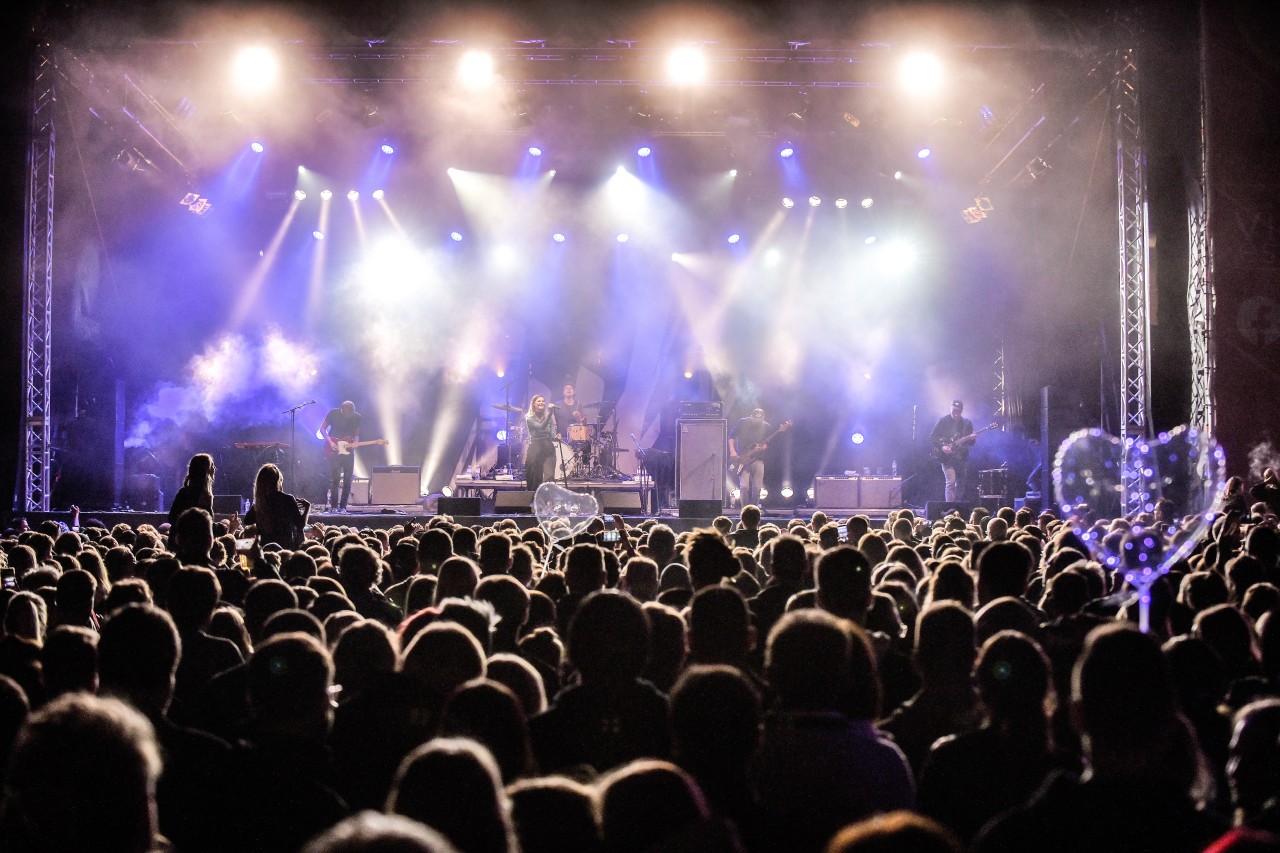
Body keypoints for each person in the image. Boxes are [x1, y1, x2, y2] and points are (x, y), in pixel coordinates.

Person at [244, 463, 310, 550]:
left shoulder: (261, 504)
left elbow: (247, 521)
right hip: (285, 549)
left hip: (266, 550)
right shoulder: (287, 499)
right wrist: (307, 509)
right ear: (278, 480)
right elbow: (300, 525)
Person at [929, 400, 974, 502]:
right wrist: (942, 447)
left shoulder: (967, 423)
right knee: (950, 482)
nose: (956, 413)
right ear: (950, 408)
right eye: (954, 410)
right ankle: (950, 507)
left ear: (962, 411)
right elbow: (932, 437)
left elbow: (971, 444)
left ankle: (957, 506)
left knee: (961, 483)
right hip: (947, 458)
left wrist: (972, 439)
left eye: (958, 411)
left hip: (961, 458)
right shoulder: (943, 421)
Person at [321, 401, 362, 512]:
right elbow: (322, 429)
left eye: (350, 413)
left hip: (348, 451)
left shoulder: (357, 417)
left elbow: (356, 434)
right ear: (342, 410)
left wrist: (356, 442)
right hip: (334, 450)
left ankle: (343, 507)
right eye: (346, 413)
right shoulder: (333, 413)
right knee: (335, 479)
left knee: (348, 480)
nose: (348, 416)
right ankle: (334, 507)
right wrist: (330, 442)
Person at [730, 408, 772, 508]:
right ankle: (744, 510)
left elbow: (767, 443)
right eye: (756, 419)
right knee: (744, 487)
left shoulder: (766, 426)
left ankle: (754, 510)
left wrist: (763, 447)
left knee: (757, 488)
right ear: (751, 416)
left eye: (760, 419)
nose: (758, 422)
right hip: (744, 459)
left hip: (758, 459)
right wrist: (732, 451)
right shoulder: (742, 422)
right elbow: (731, 436)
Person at [167, 453, 216, 533]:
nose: (214, 469)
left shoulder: (185, 492)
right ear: (205, 471)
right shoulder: (186, 493)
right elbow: (172, 518)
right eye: (212, 466)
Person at [524, 395, 559, 493]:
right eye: (539, 401)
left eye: (543, 401)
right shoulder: (529, 417)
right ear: (534, 404)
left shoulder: (549, 418)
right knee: (535, 476)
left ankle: (549, 503)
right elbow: (540, 427)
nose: (541, 403)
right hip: (535, 447)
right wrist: (549, 414)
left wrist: (556, 436)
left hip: (548, 447)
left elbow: (552, 434)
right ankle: (534, 501)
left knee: (549, 477)